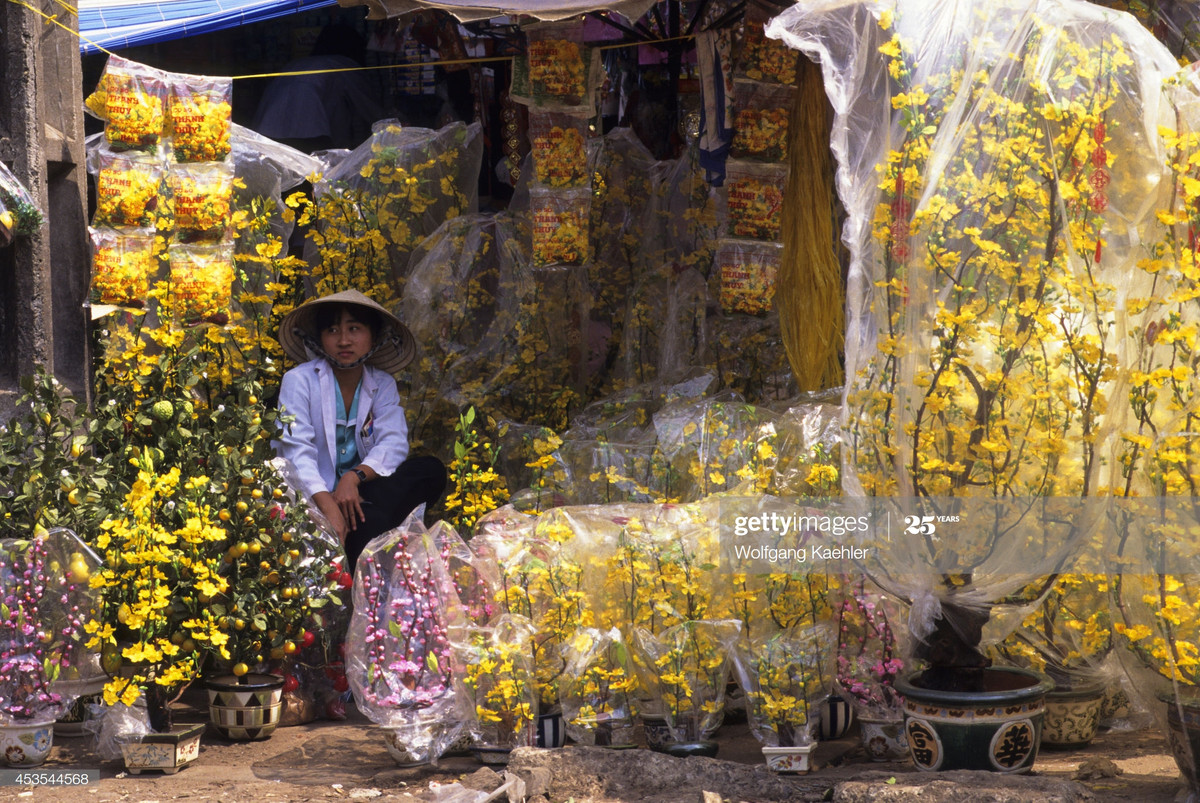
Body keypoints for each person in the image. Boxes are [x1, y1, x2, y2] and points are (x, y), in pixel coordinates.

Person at [275, 289, 446, 575]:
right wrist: (329, 505)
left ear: (374, 336)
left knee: (430, 470)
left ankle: (362, 530)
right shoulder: (299, 380)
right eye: (332, 330)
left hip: (360, 492)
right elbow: (297, 453)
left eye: (354, 328)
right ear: (320, 339)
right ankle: (365, 545)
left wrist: (353, 478)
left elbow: (393, 443)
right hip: (312, 494)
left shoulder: (382, 383)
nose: (344, 340)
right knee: (372, 520)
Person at [250, 24, 384, 153]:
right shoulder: (344, 65)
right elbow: (369, 106)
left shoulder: (297, 64)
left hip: (267, 130)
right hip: (309, 133)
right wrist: (389, 127)